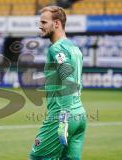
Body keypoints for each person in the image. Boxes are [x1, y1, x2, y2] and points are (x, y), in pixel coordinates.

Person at [29, 6, 86, 160]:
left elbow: (68, 79)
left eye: (44, 22)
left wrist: (63, 118)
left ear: (57, 24)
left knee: (38, 157)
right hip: (79, 114)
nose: (40, 25)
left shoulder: (56, 49)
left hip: (61, 114)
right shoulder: (74, 48)